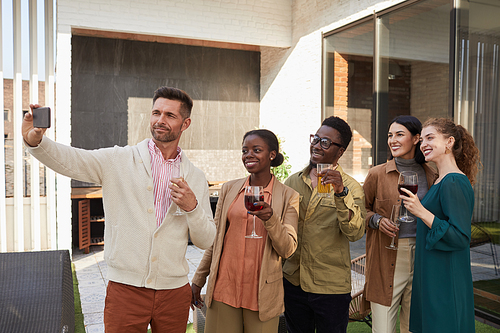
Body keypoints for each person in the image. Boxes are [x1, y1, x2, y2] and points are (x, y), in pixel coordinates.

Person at [22, 86, 216, 333]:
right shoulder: (118, 159)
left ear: (185, 123)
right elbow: (72, 160)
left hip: (174, 292)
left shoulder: (196, 177)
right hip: (125, 289)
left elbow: (206, 240)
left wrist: (193, 208)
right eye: (156, 112)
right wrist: (36, 141)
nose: (160, 120)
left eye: (170, 115)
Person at [190, 129, 299, 333]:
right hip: (225, 287)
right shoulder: (229, 189)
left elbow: (288, 249)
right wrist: (199, 278)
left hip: (262, 293)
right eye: (244, 150)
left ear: (272, 155)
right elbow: (215, 240)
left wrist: (270, 219)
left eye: (256, 150)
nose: (248, 155)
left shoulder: (289, 196)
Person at [282, 116, 366, 333]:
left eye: (325, 142)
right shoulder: (293, 182)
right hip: (293, 280)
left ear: (340, 151)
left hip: (330, 287)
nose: (317, 145)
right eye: (316, 139)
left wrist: (340, 193)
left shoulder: (351, 187)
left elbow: (355, 232)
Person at [400, 118, 480, 333]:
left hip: (446, 278)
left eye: (430, 137)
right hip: (432, 274)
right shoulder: (439, 179)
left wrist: (421, 212)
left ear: (449, 142)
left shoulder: (454, 181)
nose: (423, 143)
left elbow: (460, 236)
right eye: (422, 139)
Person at [363, 115, 437, 333]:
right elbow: (359, 211)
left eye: (399, 134)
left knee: (412, 327)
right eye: (390, 135)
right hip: (387, 256)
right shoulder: (377, 174)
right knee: (383, 329)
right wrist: (376, 220)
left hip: (423, 255)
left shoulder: (431, 175)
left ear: (416, 139)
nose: (392, 140)